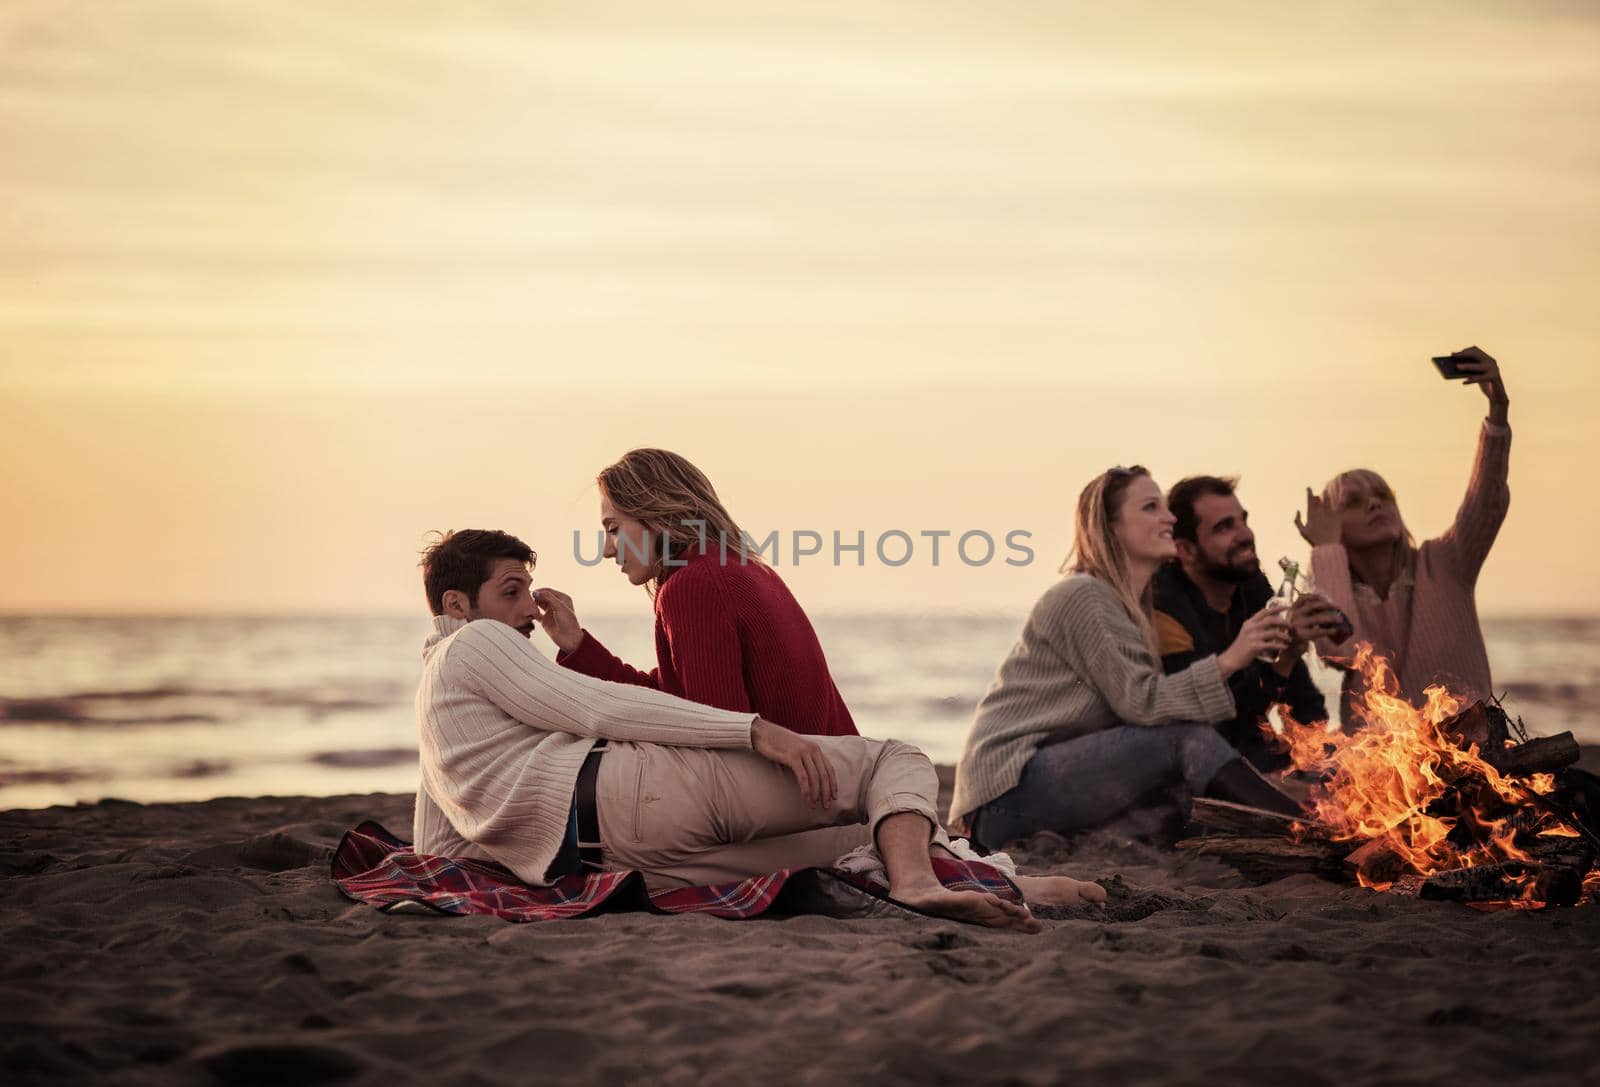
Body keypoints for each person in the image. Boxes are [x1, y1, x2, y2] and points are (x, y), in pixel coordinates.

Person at [412, 528, 1104, 932]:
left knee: (849, 845)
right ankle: (923, 885)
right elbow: (600, 711)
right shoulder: (474, 645)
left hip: (608, 860)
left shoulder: (434, 695)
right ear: (455, 604)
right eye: (512, 591)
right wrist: (755, 731)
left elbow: (433, 844)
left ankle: (1012, 884)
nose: (529, 607)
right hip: (629, 796)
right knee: (891, 760)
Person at [949, 466, 1307, 851]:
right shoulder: (1083, 595)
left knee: (1180, 805)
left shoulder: (1130, 606)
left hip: (1043, 785)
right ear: (1112, 527)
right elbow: (1142, 704)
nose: (1169, 517)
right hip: (1006, 792)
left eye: (1166, 508)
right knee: (1187, 743)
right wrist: (1231, 658)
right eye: (1151, 507)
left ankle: (1304, 836)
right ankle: (1310, 831)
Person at [535, 448, 857, 737]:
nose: (607, 550)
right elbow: (674, 697)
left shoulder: (695, 584)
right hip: (834, 779)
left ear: (657, 516)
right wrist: (577, 645)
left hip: (802, 793)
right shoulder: (743, 567)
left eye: (614, 529)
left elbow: (720, 735)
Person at [1297, 346, 1511, 723]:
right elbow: (1344, 651)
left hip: (1469, 752)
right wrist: (1327, 550)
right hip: (1380, 769)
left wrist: (1498, 413)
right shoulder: (1327, 584)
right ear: (1331, 525)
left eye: (1383, 495)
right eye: (1355, 502)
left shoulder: (1447, 561)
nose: (1375, 505)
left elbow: (1487, 499)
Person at [1154, 476, 1342, 770]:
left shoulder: (1249, 583)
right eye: (1224, 527)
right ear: (1185, 550)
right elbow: (1217, 725)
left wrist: (1318, 757)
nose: (1245, 535)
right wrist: (1281, 663)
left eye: (1243, 521)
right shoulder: (1164, 607)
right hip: (1197, 767)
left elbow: (1303, 699)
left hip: (1248, 752)